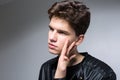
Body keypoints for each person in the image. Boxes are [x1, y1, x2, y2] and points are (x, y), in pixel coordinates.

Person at [39, 0, 116, 80]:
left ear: (79, 40)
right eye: (51, 29)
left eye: (62, 32)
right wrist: (60, 72)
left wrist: (60, 75)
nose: (52, 38)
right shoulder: (47, 68)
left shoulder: (102, 74)